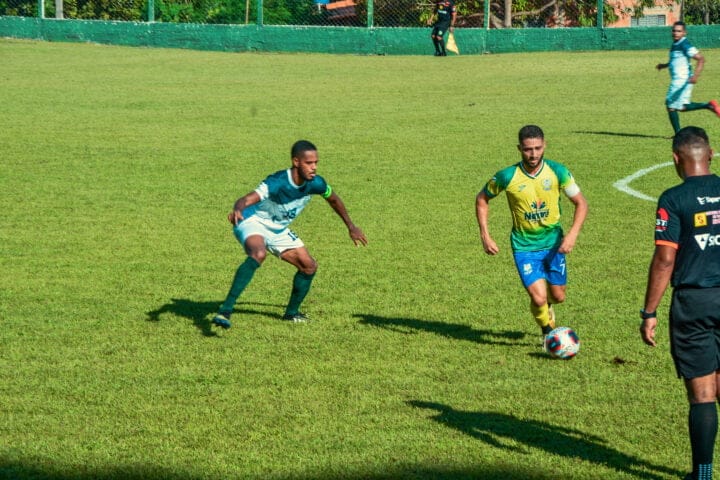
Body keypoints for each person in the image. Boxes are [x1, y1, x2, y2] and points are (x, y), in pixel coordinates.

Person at [212, 140, 367, 329]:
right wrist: (238, 208)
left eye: (316, 163)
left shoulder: (316, 183)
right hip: (253, 222)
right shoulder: (277, 182)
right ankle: (225, 310)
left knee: (308, 266)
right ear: (296, 162)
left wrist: (351, 226)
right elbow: (247, 198)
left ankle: (291, 314)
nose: (314, 168)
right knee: (258, 254)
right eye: (309, 163)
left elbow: (333, 199)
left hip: (278, 229)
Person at [640, 126, 720, 480]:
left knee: (703, 393)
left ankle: (703, 475)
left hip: (694, 303)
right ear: (711, 154)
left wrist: (649, 311)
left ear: (676, 159)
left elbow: (665, 260)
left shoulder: (673, 199)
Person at [475, 125, 588, 340]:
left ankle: (547, 307)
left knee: (558, 296)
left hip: (554, 244)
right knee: (538, 299)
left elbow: (581, 203)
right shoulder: (507, 176)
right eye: (528, 149)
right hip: (524, 246)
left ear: (544, 145)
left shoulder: (558, 172)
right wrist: (485, 235)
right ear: (519, 148)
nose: (533, 154)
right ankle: (548, 333)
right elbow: (482, 199)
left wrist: (572, 234)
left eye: (537, 148)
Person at [656, 21, 720, 134]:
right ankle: (708, 105)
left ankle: (678, 134)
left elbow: (700, 59)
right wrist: (664, 65)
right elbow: (675, 61)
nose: (676, 33)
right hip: (681, 80)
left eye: (679, 31)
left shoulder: (684, 44)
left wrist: (696, 76)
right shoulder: (675, 44)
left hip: (681, 80)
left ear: (684, 33)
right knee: (682, 107)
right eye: (674, 30)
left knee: (670, 105)